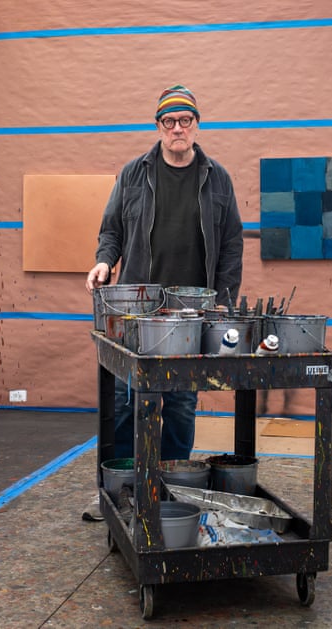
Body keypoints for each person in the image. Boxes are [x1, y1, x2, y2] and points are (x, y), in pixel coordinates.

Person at [85, 84, 243, 463]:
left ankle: (172, 482)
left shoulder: (217, 178)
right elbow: (111, 231)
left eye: (185, 120)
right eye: (169, 121)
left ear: (197, 125)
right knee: (126, 403)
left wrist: (223, 302)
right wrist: (104, 261)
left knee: (179, 407)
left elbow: (231, 246)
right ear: (158, 126)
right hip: (136, 312)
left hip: (191, 315)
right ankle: (123, 482)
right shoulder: (133, 174)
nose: (177, 129)